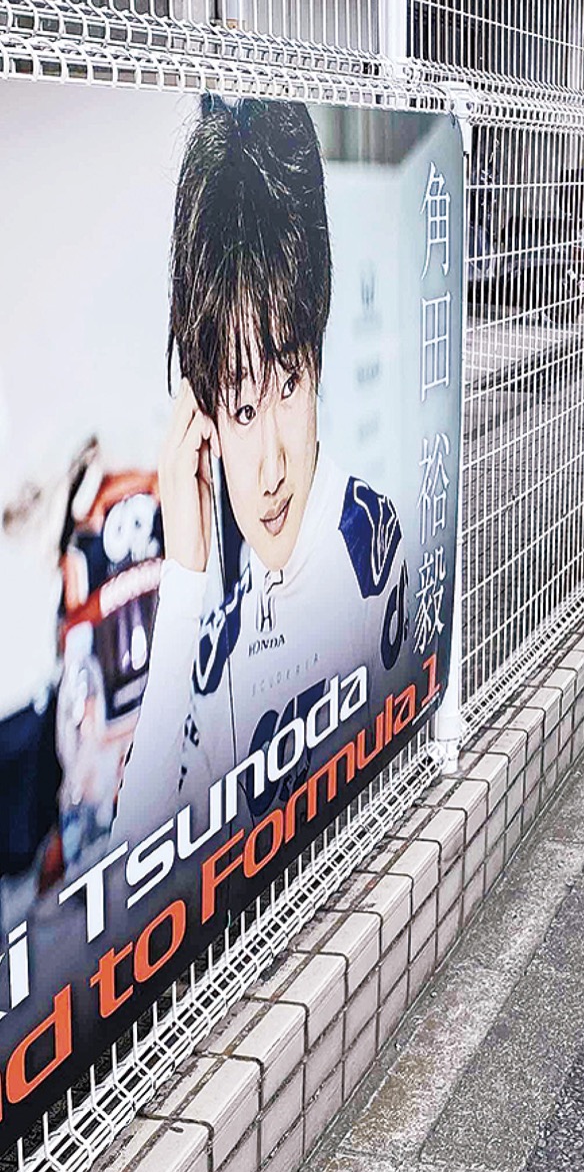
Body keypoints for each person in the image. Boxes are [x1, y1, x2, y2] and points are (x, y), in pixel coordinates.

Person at [113, 95, 408, 843]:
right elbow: (127, 877)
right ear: (203, 417)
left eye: (290, 385)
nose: (274, 464)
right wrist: (183, 587)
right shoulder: (206, 617)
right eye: (242, 411)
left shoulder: (367, 541)